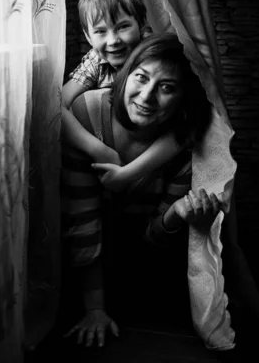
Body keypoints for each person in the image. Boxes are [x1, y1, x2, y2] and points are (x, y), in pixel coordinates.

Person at [61, 33, 218, 348]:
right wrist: (94, 309)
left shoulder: (183, 152)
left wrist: (174, 216)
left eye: (166, 88)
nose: (146, 97)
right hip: (74, 264)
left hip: (137, 268)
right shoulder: (86, 114)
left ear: (183, 99)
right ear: (124, 76)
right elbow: (82, 219)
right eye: (141, 78)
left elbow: (151, 237)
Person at [61, 0, 185, 192]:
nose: (113, 40)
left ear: (141, 25)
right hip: (109, 148)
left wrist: (128, 174)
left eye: (123, 27)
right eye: (100, 31)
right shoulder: (96, 60)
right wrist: (99, 150)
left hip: (151, 160)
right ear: (88, 37)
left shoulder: (155, 57)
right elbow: (56, 105)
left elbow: (186, 129)